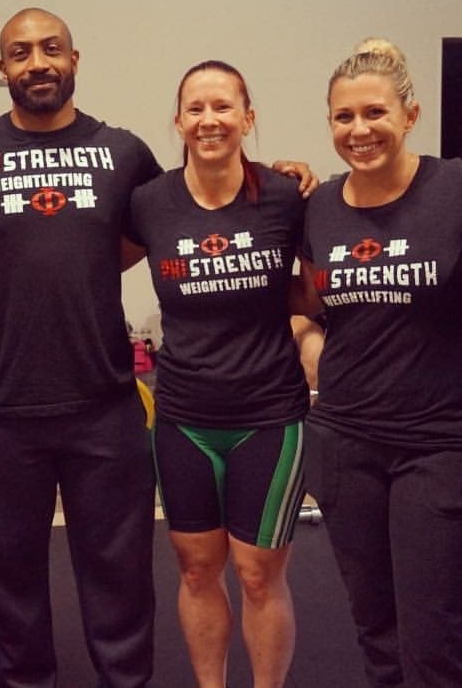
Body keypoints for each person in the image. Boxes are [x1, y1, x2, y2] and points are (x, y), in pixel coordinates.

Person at [0, 7, 163, 688]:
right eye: (21, 52)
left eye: (50, 48)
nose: (37, 63)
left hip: (107, 405)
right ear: (2, 68)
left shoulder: (124, 153)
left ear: (75, 58)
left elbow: (170, 223)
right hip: (0, 410)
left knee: (120, 581)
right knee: (11, 585)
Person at [300, 40, 462, 687]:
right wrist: (314, 354)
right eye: (343, 117)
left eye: (374, 113)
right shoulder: (319, 207)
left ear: (410, 114)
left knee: (432, 633)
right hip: (345, 444)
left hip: (442, 447)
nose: (358, 130)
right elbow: (308, 309)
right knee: (375, 626)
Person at [125, 60, 310, 687]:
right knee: (198, 572)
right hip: (183, 419)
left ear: (247, 118)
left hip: (269, 417)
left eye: (223, 107)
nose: (209, 120)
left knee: (259, 575)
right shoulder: (149, 203)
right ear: (178, 121)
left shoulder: (286, 197)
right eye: (195, 108)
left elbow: (314, 290)